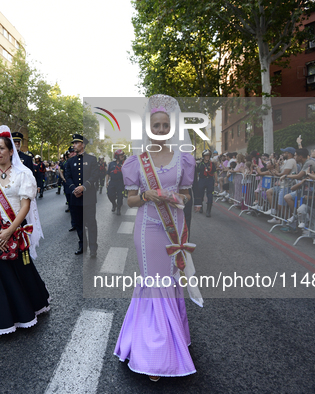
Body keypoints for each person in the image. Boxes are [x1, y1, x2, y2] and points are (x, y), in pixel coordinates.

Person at [114, 94, 202, 381]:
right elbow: (130, 200)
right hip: (148, 227)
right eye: (157, 126)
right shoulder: (136, 161)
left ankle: (173, 337)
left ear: (172, 127)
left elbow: (187, 195)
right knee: (154, 282)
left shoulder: (184, 159)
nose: (161, 130)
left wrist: (175, 197)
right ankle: (155, 352)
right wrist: (144, 194)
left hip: (173, 226)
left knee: (170, 280)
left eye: (166, 126)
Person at [0, 125, 49, 343]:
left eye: (1, 148)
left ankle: (29, 308)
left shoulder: (23, 175)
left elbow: (25, 206)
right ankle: (1, 321)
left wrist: (8, 232)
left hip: (15, 228)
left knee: (20, 269)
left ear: (10, 151)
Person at [65, 134, 99, 257]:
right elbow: (67, 177)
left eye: (76, 143)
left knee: (91, 223)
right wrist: (74, 189)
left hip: (88, 198)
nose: (73, 145)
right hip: (75, 198)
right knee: (79, 223)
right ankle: (82, 245)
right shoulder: (70, 161)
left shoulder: (92, 159)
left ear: (83, 144)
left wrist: (83, 187)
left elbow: (94, 176)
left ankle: (93, 247)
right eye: (73, 143)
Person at [194, 149, 218, 217]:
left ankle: (208, 211)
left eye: (208, 156)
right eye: (206, 155)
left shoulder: (212, 164)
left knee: (210, 195)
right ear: (203, 156)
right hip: (202, 180)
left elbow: (215, 173)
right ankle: (200, 206)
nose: (207, 157)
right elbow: (196, 174)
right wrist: (195, 182)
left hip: (210, 180)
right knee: (200, 194)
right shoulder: (200, 164)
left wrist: (216, 181)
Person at [107, 149, 125, 215]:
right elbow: (108, 173)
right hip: (112, 182)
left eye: (122, 155)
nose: (122, 156)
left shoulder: (124, 163)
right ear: (117, 156)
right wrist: (106, 182)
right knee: (109, 194)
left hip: (120, 182)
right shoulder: (111, 164)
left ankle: (118, 209)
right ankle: (114, 204)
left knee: (120, 196)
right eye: (121, 155)